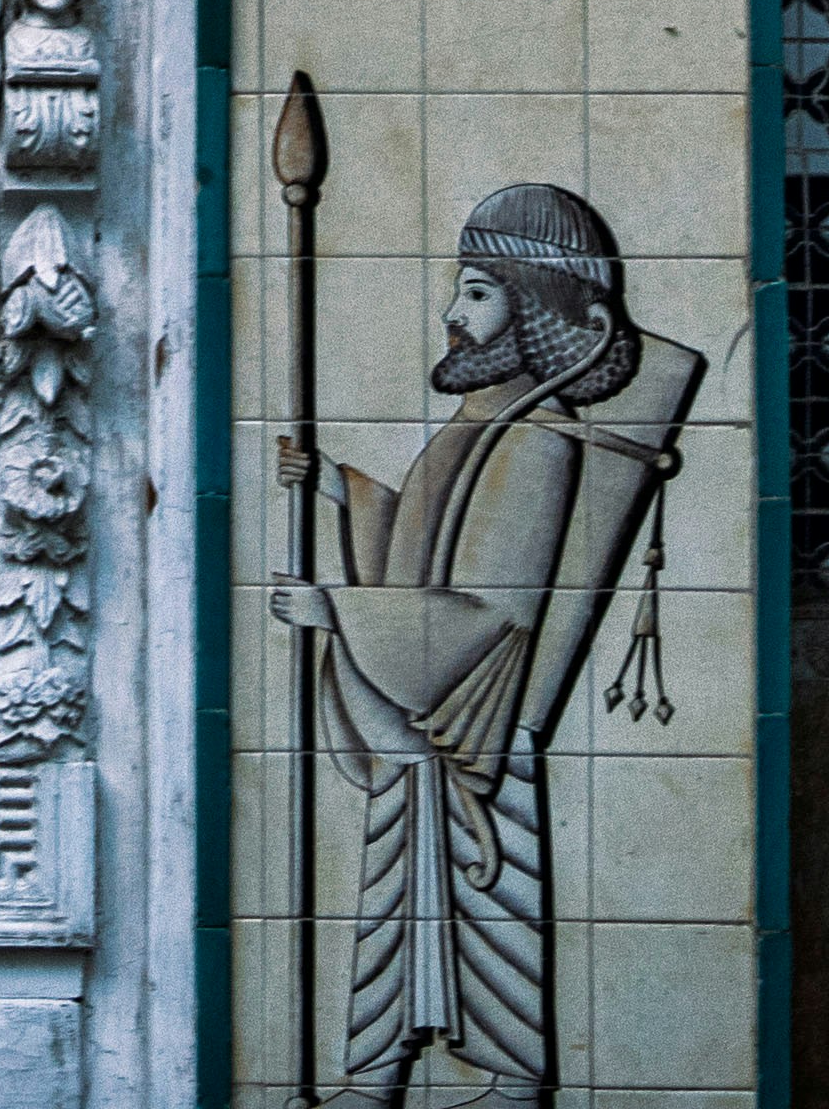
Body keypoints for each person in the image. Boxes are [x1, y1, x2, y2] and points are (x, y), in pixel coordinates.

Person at [272, 185, 699, 1109]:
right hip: (426, 718)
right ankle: (379, 1071)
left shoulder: (539, 441)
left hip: (478, 726)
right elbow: (424, 543)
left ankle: (511, 1080)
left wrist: (338, 612)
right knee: (395, 894)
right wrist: (345, 493)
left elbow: (490, 613)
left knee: (489, 901)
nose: (450, 315)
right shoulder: (483, 424)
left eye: (475, 293)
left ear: (536, 306)